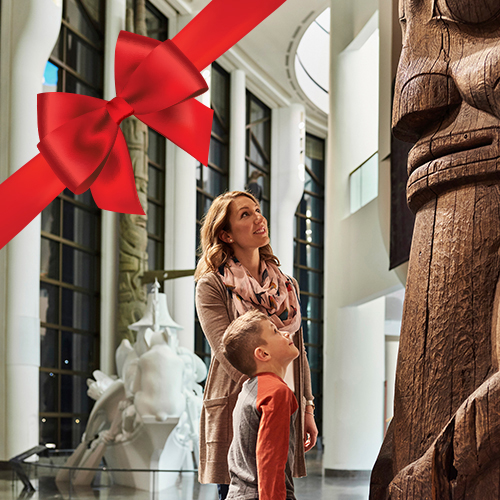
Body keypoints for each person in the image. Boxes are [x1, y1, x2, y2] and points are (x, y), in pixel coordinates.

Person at [194, 190, 317, 500]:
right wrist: (265, 398)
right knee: (241, 488)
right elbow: (226, 352)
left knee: (278, 484)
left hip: (285, 400)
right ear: (225, 233)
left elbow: (298, 351)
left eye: (257, 210)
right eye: (245, 214)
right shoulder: (212, 284)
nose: (258, 218)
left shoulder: (286, 285)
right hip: (243, 402)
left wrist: (306, 407)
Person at [222, 310, 299, 500]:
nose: (286, 333)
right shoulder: (276, 392)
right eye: (275, 331)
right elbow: (270, 461)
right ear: (263, 353)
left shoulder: (249, 389)